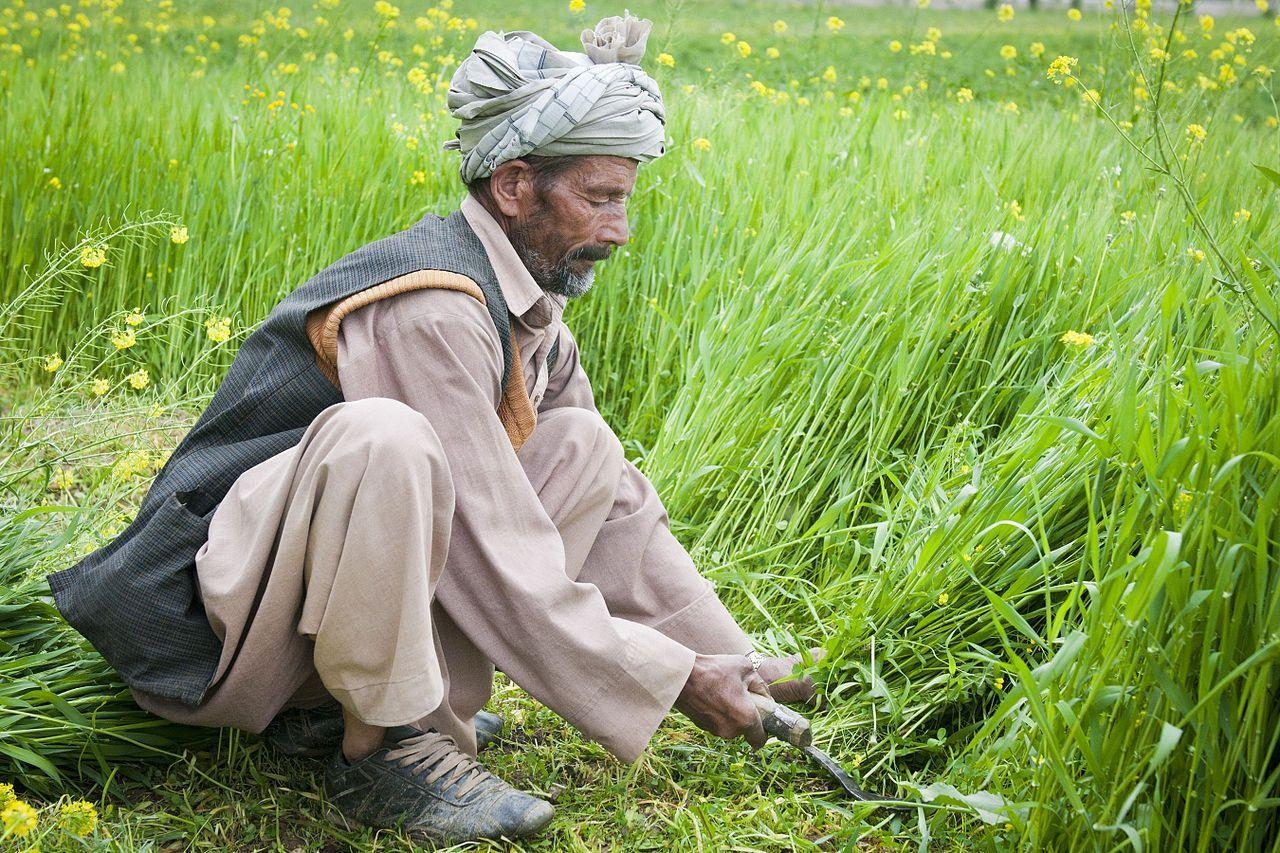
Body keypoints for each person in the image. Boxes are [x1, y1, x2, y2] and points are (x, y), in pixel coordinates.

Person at [48, 13, 816, 845]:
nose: (619, 229)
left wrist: (735, 658)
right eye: (599, 198)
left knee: (584, 447)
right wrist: (669, 679)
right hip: (222, 620)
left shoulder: (529, 304)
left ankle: (358, 707)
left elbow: (618, 506)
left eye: (624, 200)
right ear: (515, 185)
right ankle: (383, 745)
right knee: (384, 438)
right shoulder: (431, 305)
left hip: (325, 605)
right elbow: (493, 541)